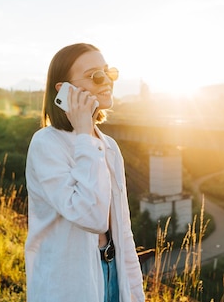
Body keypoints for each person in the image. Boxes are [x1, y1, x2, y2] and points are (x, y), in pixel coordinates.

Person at [25, 43, 146, 302]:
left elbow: (122, 230)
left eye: (109, 72)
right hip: (69, 283)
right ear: (64, 90)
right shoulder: (46, 144)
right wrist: (83, 133)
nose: (107, 81)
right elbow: (91, 217)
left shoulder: (109, 146)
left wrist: (135, 292)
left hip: (113, 273)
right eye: (95, 75)